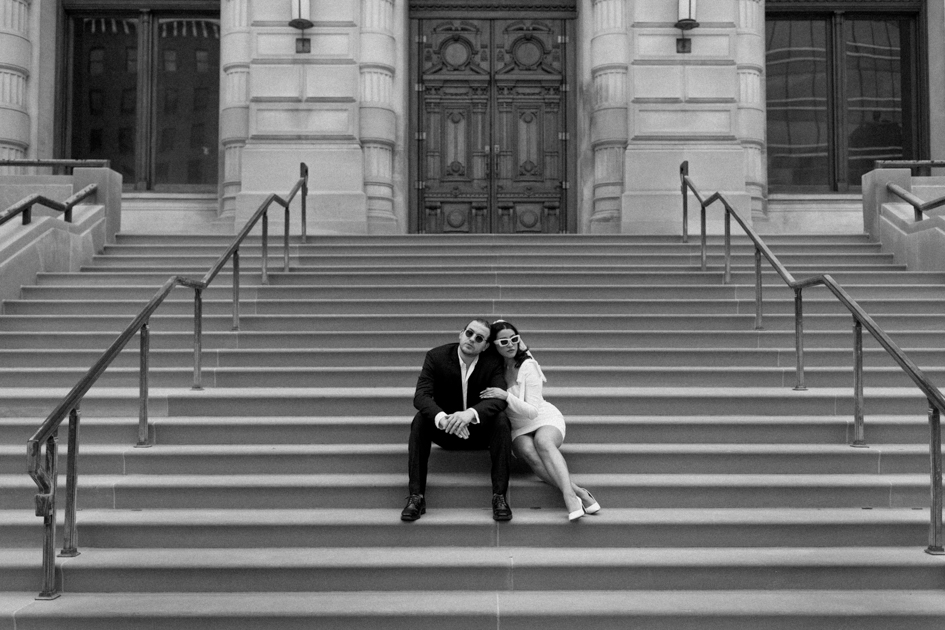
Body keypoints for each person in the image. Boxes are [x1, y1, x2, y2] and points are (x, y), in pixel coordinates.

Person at [480, 320, 601, 521]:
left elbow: (533, 412)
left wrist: (506, 396)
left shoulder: (528, 365)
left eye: (514, 339)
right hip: (518, 426)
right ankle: (580, 492)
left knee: (543, 442)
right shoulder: (495, 369)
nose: (510, 345)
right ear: (493, 345)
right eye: (503, 342)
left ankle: (569, 497)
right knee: (529, 452)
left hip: (543, 418)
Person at [402, 318, 513, 522]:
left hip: (480, 433)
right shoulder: (436, 357)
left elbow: (499, 399)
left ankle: (499, 496)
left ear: (486, 346)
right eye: (469, 333)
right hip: (446, 431)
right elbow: (421, 396)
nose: (472, 339)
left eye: (479, 338)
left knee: (501, 420)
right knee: (420, 420)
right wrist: (443, 419)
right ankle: (416, 496)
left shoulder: (492, 362)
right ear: (460, 334)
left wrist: (469, 414)